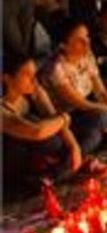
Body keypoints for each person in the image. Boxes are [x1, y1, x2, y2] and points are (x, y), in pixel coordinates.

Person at [41, 19, 107, 153]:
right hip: (68, 118)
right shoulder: (56, 69)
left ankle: (101, 138)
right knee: (105, 119)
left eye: (87, 36)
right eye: (80, 40)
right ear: (64, 45)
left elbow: (101, 92)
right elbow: (81, 103)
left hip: (88, 109)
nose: (87, 42)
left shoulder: (86, 56)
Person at [3, 53, 83, 199]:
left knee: (69, 145)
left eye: (34, 73)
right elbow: (36, 132)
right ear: (7, 78)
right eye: (27, 75)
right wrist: (64, 118)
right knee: (43, 130)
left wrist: (74, 146)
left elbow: (53, 116)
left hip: (34, 155)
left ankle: (49, 177)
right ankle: (46, 177)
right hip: (10, 164)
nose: (33, 80)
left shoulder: (32, 91)